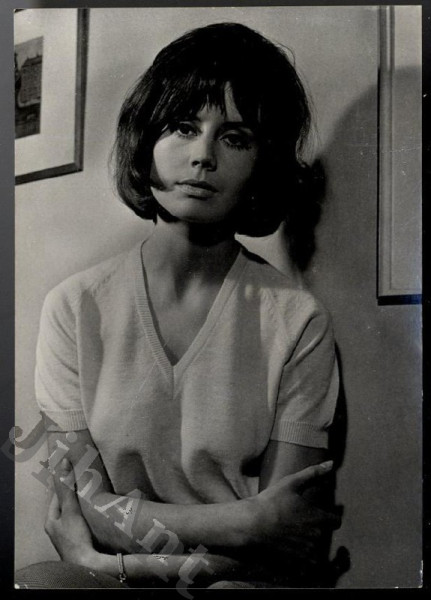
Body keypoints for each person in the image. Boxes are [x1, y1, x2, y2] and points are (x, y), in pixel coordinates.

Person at [16, 22, 343, 590]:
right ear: (146, 140)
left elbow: (287, 538)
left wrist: (113, 552)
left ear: (262, 162)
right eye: (183, 127)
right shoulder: (74, 307)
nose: (202, 157)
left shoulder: (298, 321)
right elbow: (84, 510)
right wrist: (246, 521)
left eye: (234, 138)